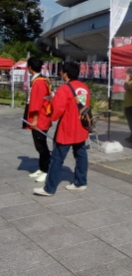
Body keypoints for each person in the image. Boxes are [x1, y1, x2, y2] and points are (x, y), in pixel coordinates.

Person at [34, 62, 90, 197]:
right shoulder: (84, 87)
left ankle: (49, 188)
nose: (60, 73)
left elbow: (57, 110)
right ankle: (81, 182)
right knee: (81, 154)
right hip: (81, 125)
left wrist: (51, 114)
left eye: (61, 71)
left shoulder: (64, 89)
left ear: (65, 73)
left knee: (57, 158)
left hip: (67, 127)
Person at [25, 57, 53, 183]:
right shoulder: (40, 80)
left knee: (41, 145)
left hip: (40, 118)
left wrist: (35, 120)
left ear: (29, 67)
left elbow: (37, 103)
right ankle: (42, 168)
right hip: (41, 116)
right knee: (39, 144)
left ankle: (47, 170)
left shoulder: (39, 82)